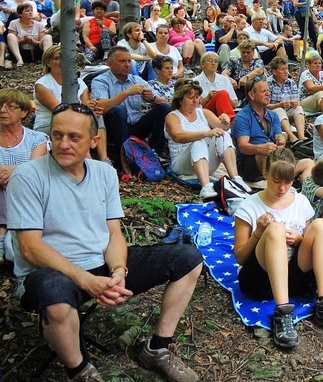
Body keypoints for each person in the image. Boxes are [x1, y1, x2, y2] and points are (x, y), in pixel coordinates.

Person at [7, 103, 203, 381]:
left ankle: (158, 348)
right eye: (57, 135)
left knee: (188, 259)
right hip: (51, 273)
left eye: (74, 137)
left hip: (100, 264)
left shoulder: (104, 173)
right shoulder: (28, 177)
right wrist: (86, 280)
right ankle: (80, 370)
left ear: (94, 140)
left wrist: (118, 271)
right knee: (54, 293)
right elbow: (29, 247)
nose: (64, 144)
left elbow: (113, 233)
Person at [233, 149, 323, 348]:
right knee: (276, 230)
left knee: (321, 226)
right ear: (265, 174)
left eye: (287, 182)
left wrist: (299, 239)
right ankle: (283, 312)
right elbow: (240, 258)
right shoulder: (248, 206)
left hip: (296, 278)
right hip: (260, 280)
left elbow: (311, 242)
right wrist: (259, 233)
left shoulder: (301, 201)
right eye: (276, 181)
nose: (282, 188)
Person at [165, 78, 249, 199]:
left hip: (204, 162)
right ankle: (205, 186)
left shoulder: (203, 112)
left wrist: (225, 120)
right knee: (198, 141)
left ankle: (236, 178)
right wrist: (206, 133)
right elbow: (177, 136)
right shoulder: (172, 116)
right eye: (190, 97)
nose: (195, 101)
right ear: (180, 99)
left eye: (197, 97)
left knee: (222, 134)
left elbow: (222, 127)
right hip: (182, 163)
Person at [91, 47, 171, 161]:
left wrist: (152, 98)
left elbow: (163, 100)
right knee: (119, 110)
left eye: (129, 61)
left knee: (164, 108)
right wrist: (126, 93)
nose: (127, 65)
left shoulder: (136, 80)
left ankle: (155, 154)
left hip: (135, 127)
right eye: (122, 61)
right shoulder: (100, 81)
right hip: (113, 130)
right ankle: (125, 158)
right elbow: (100, 107)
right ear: (109, 64)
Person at [34, 45, 109, 163]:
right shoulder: (42, 85)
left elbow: (86, 107)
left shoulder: (78, 81)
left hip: (75, 121)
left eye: (65, 58)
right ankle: (88, 161)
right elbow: (59, 110)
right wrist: (85, 108)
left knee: (96, 117)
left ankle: (104, 159)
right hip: (49, 123)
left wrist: (92, 109)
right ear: (48, 62)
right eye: (57, 58)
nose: (61, 62)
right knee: (77, 125)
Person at [0, 89, 48, 263]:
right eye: (0, 106)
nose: (2, 110)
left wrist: (15, 170)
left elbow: (36, 169)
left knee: (22, 182)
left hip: (27, 203)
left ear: (24, 112)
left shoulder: (37, 138)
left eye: (10, 107)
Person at [232, 77, 286, 182]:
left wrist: (280, 139)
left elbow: (278, 135)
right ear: (251, 95)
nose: (268, 94)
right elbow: (243, 147)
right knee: (264, 156)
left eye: (268, 90)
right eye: (263, 91)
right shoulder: (242, 117)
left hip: (272, 156)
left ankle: (281, 177)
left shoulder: (273, 114)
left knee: (306, 162)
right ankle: (276, 180)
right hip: (248, 164)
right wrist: (261, 149)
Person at [268, 57, 307, 143]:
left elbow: (297, 100)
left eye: (287, 69)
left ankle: (301, 136)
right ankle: (292, 137)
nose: (286, 72)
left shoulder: (290, 82)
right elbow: (264, 106)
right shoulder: (268, 83)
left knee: (298, 109)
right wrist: (279, 105)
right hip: (272, 115)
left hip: (288, 113)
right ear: (274, 71)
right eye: (282, 69)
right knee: (279, 110)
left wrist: (296, 103)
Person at [194, 52, 238, 120]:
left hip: (223, 113)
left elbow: (234, 105)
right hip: (205, 114)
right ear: (202, 64)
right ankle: (231, 121)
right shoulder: (195, 81)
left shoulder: (224, 79)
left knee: (222, 93)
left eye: (216, 61)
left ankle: (228, 120)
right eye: (210, 60)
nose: (213, 63)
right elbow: (193, 106)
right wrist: (207, 98)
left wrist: (225, 97)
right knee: (222, 93)